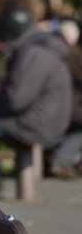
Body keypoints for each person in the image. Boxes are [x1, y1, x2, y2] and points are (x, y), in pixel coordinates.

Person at [0, 8, 71, 152]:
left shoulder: (32, 53)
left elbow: (16, 100)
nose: (2, 46)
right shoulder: (44, 46)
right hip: (50, 121)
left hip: (37, 126)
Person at [51, 19, 82, 178]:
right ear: (74, 38)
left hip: (53, 102)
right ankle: (62, 161)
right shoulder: (72, 53)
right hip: (65, 103)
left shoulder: (51, 47)